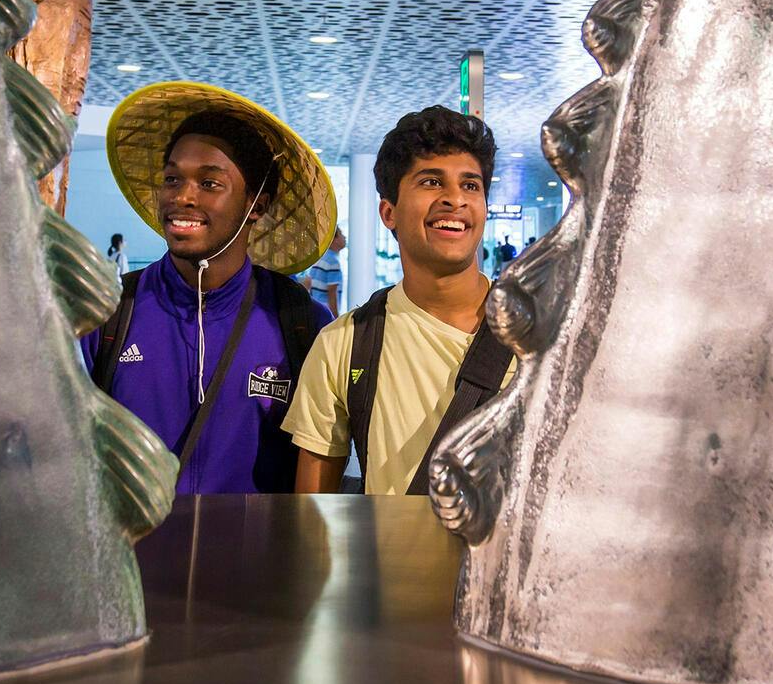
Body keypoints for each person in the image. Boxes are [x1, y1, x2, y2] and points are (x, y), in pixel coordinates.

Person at [82, 83, 336, 494]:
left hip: (255, 557)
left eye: (210, 183)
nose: (182, 196)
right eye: (171, 179)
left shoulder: (300, 323)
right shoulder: (108, 311)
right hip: (133, 556)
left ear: (257, 205)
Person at [284, 106, 513, 496]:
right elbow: (314, 515)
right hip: (389, 558)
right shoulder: (346, 344)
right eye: (431, 182)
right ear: (388, 212)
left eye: (471, 185)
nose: (455, 199)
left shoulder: (537, 334)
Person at [308, 227, 345, 313]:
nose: (344, 237)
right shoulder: (333, 262)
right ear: (333, 240)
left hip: (316, 310)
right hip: (327, 313)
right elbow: (332, 293)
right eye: (341, 234)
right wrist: (336, 320)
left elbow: (309, 284)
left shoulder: (319, 258)